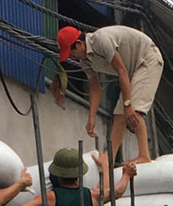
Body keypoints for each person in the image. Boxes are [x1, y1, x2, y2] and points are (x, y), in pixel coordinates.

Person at [56, 24, 164, 164]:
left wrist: (127, 104)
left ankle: (144, 155)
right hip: (131, 71)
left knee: (134, 111)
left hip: (147, 59)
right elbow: (95, 87)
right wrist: (92, 117)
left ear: (79, 44)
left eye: (71, 53)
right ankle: (109, 159)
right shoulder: (85, 61)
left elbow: (121, 71)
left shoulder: (100, 40)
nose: (72, 57)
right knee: (119, 116)